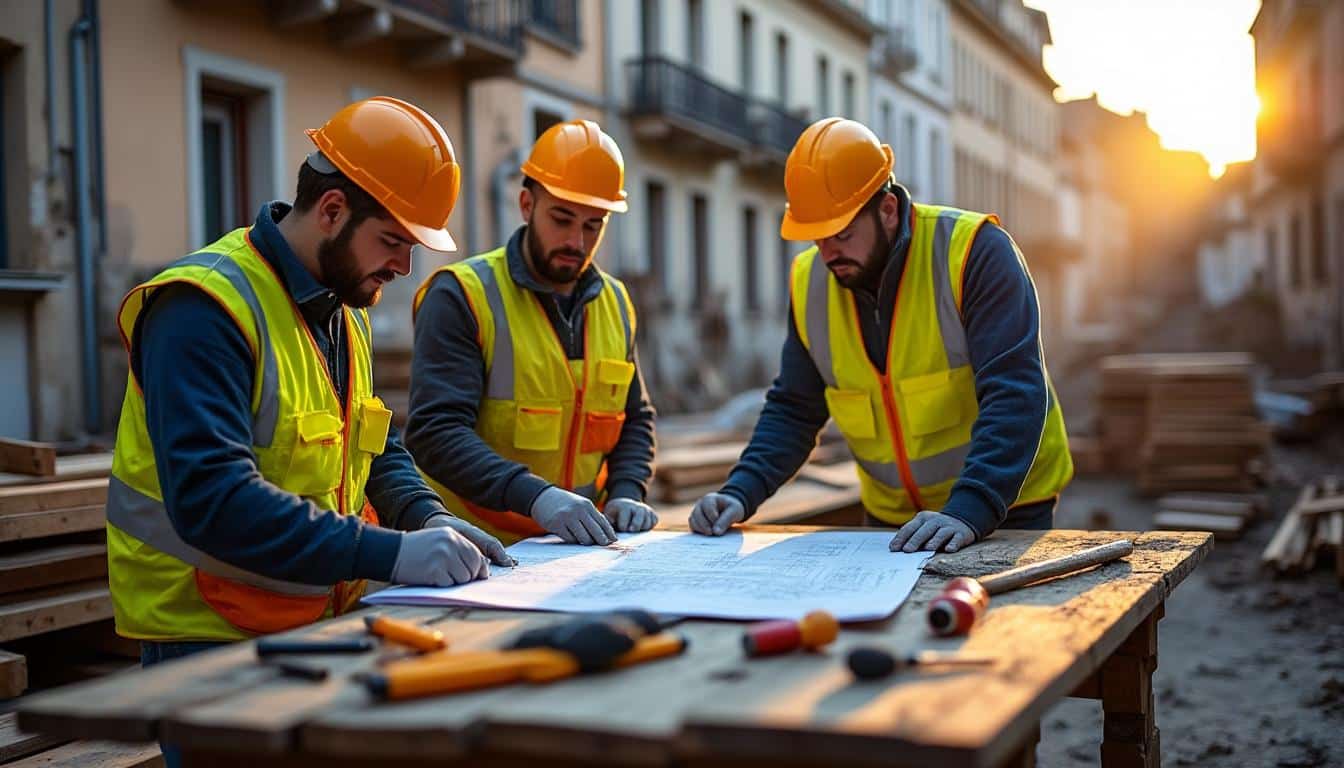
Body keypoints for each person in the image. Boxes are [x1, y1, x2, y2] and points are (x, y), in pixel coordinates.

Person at [106, 98, 512, 670]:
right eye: (393, 241)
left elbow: (372, 443)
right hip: (206, 638)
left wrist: (426, 514)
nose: (403, 267)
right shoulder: (202, 309)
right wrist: (391, 553)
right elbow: (212, 499)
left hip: (319, 624)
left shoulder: (343, 306)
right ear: (331, 210)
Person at [689, 117, 1072, 553]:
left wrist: (972, 506)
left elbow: (1014, 390)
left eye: (842, 233)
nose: (829, 253)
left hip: (1003, 507)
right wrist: (740, 492)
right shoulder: (809, 282)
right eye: (817, 237)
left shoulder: (973, 253)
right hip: (891, 522)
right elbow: (795, 409)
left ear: (887, 209)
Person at [407, 119, 657, 547]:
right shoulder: (463, 296)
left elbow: (635, 420)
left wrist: (627, 490)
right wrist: (536, 496)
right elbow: (436, 433)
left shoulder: (616, 303)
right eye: (562, 219)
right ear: (526, 204)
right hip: (473, 546)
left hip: (577, 549)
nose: (576, 241)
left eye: (593, 225)